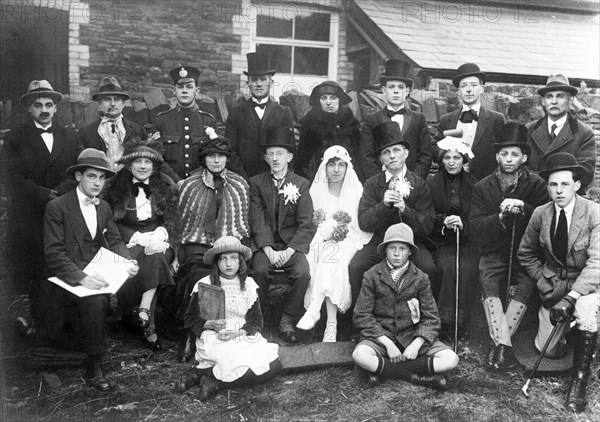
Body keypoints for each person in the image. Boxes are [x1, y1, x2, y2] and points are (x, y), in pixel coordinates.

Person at [37, 149, 139, 391]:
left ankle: (93, 348)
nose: (97, 183)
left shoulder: (102, 207)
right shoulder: (56, 207)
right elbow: (53, 254)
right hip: (61, 279)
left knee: (115, 288)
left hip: (93, 273)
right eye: (91, 176)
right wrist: (82, 278)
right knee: (92, 303)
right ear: (78, 176)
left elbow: (114, 239)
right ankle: (94, 365)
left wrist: (127, 262)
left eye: (102, 178)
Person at [518, 152, 599, 413]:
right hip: (554, 285)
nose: (559, 191)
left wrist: (572, 297)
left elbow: (597, 263)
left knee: (586, 310)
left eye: (565, 184)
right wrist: (543, 281)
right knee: (548, 351)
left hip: (586, 284)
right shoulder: (541, 214)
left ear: (577, 185)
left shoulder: (594, 213)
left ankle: (579, 384)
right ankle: (572, 335)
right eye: (553, 184)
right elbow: (526, 253)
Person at [1, 80, 82, 326]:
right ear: (29, 108)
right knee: (36, 268)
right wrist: (42, 194)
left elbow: (78, 172)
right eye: (38, 105)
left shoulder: (70, 135)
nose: (44, 109)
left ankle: (65, 322)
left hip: (63, 210)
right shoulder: (16, 138)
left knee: (63, 261)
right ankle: (38, 324)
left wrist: (59, 192)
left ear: (56, 108)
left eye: (49, 104)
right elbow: (9, 175)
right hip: (29, 214)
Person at [469, 122, 549, 370]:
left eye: (515, 154)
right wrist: (500, 218)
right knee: (489, 280)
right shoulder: (482, 186)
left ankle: (499, 345)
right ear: (497, 156)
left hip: (526, 253)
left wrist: (524, 209)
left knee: (527, 283)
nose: (509, 159)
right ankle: (502, 345)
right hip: (494, 251)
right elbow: (475, 226)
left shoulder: (536, 185)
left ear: (524, 157)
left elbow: (544, 217)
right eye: (504, 154)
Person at [352, 223, 459, 391]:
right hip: (382, 336)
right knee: (360, 355)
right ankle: (418, 378)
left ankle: (382, 370)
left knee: (451, 359)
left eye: (402, 248)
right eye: (392, 248)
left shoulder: (421, 278)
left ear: (409, 251)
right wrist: (387, 343)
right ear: (385, 250)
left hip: (412, 335)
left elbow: (431, 317)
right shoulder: (372, 275)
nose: (396, 253)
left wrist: (416, 345)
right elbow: (361, 315)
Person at [177, 236, 281, 401]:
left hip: (240, 335)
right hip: (214, 336)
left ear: (240, 262)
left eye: (233, 258)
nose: (229, 263)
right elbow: (190, 318)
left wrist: (238, 333)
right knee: (231, 359)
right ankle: (206, 376)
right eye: (223, 259)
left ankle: (209, 379)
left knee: (272, 364)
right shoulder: (204, 284)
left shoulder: (249, 285)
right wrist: (207, 324)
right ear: (217, 263)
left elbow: (256, 321)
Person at [102, 138, 181, 350]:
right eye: (138, 161)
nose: (143, 166)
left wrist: (162, 233)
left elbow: (174, 220)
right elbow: (110, 223)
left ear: (154, 165)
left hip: (161, 240)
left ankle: (148, 324)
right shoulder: (114, 187)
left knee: (156, 254)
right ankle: (142, 315)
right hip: (129, 242)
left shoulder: (165, 184)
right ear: (129, 164)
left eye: (148, 162)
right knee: (150, 259)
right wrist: (137, 237)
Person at [175, 137, 250, 361]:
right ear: (203, 159)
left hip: (227, 244)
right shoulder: (189, 185)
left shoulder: (239, 184)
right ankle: (193, 332)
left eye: (220, 156)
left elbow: (242, 222)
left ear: (227, 158)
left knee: (226, 271)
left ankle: (227, 328)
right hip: (196, 244)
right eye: (211, 156)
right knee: (199, 275)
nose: (216, 161)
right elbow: (181, 223)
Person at [349, 121, 435, 312]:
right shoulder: (372, 184)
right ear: (380, 158)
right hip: (380, 242)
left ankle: (425, 322)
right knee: (356, 266)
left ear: (406, 153)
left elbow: (427, 225)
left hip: (412, 243)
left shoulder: (419, 184)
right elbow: (364, 222)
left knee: (428, 268)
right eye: (386, 153)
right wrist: (383, 206)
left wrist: (405, 210)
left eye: (396, 150)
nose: (392, 156)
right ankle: (359, 322)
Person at [296, 146, 372, 342]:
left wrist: (339, 233)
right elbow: (310, 223)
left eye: (340, 165)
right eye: (331, 165)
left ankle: (319, 313)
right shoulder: (317, 191)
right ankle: (330, 322)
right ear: (324, 167)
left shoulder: (356, 191)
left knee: (333, 255)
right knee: (325, 256)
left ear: (347, 168)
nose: (336, 170)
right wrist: (326, 231)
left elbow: (360, 226)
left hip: (350, 240)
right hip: (321, 240)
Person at [249, 125, 317, 343]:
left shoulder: (301, 184)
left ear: (289, 156)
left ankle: (287, 317)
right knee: (259, 271)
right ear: (266, 158)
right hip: (266, 244)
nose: (275, 158)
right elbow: (257, 218)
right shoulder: (256, 183)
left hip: (291, 245)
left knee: (303, 273)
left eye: (280, 154)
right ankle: (257, 319)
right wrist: (267, 248)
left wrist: (290, 251)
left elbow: (306, 223)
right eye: (271, 154)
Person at [425, 137, 478, 335]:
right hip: (442, 240)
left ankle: (462, 324)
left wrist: (463, 223)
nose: (451, 162)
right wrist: (443, 221)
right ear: (441, 160)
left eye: (456, 157)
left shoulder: (474, 184)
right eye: (447, 157)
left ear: (463, 160)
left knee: (467, 268)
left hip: (467, 240)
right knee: (446, 267)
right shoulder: (431, 183)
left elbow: (478, 215)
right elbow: (427, 213)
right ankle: (444, 324)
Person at [359, 59, 432, 181]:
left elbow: (426, 155)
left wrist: (414, 181)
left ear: (407, 91)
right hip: (380, 184)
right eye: (391, 87)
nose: (396, 91)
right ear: (384, 91)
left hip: (411, 185)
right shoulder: (372, 120)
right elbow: (366, 156)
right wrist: (379, 182)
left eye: (401, 87)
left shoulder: (418, 119)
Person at [226, 52, 294, 178]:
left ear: (271, 83)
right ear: (248, 83)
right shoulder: (236, 113)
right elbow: (231, 151)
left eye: (263, 79)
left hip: (274, 180)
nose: (259, 84)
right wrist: (243, 178)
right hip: (244, 179)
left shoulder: (283, 113)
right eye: (254, 80)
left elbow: (289, 150)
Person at [435, 63, 506, 181]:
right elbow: (435, 147)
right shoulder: (446, 120)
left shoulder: (496, 119)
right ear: (458, 91)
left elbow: (503, 152)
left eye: (473, 85)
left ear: (482, 89)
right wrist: (450, 158)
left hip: (484, 183)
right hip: (451, 183)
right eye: (464, 86)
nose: (468, 90)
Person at [152, 66, 224, 182]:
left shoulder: (208, 121)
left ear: (197, 91)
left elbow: (215, 157)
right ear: (174, 90)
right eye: (180, 87)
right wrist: (175, 181)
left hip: (200, 184)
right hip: (169, 185)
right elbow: (156, 157)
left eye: (189, 87)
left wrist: (193, 181)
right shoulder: (161, 121)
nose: (184, 90)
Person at [526, 74, 595, 192]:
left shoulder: (584, 133)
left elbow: (585, 173)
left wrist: (557, 189)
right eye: (549, 96)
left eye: (560, 96)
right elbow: (523, 168)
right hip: (534, 198)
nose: (554, 101)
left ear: (571, 100)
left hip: (567, 199)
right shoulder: (529, 130)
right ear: (543, 101)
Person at [78, 76, 148, 173]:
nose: (113, 104)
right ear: (99, 105)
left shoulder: (138, 131)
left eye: (117, 99)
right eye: (107, 99)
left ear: (123, 104)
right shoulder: (86, 133)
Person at [295, 81, 361, 181]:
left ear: (340, 101)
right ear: (318, 102)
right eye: (324, 98)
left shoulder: (351, 124)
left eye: (333, 98)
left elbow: (358, 158)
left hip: (346, 178)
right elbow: (303, 162)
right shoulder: (309, 124)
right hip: (317, 180)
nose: (328, 102)